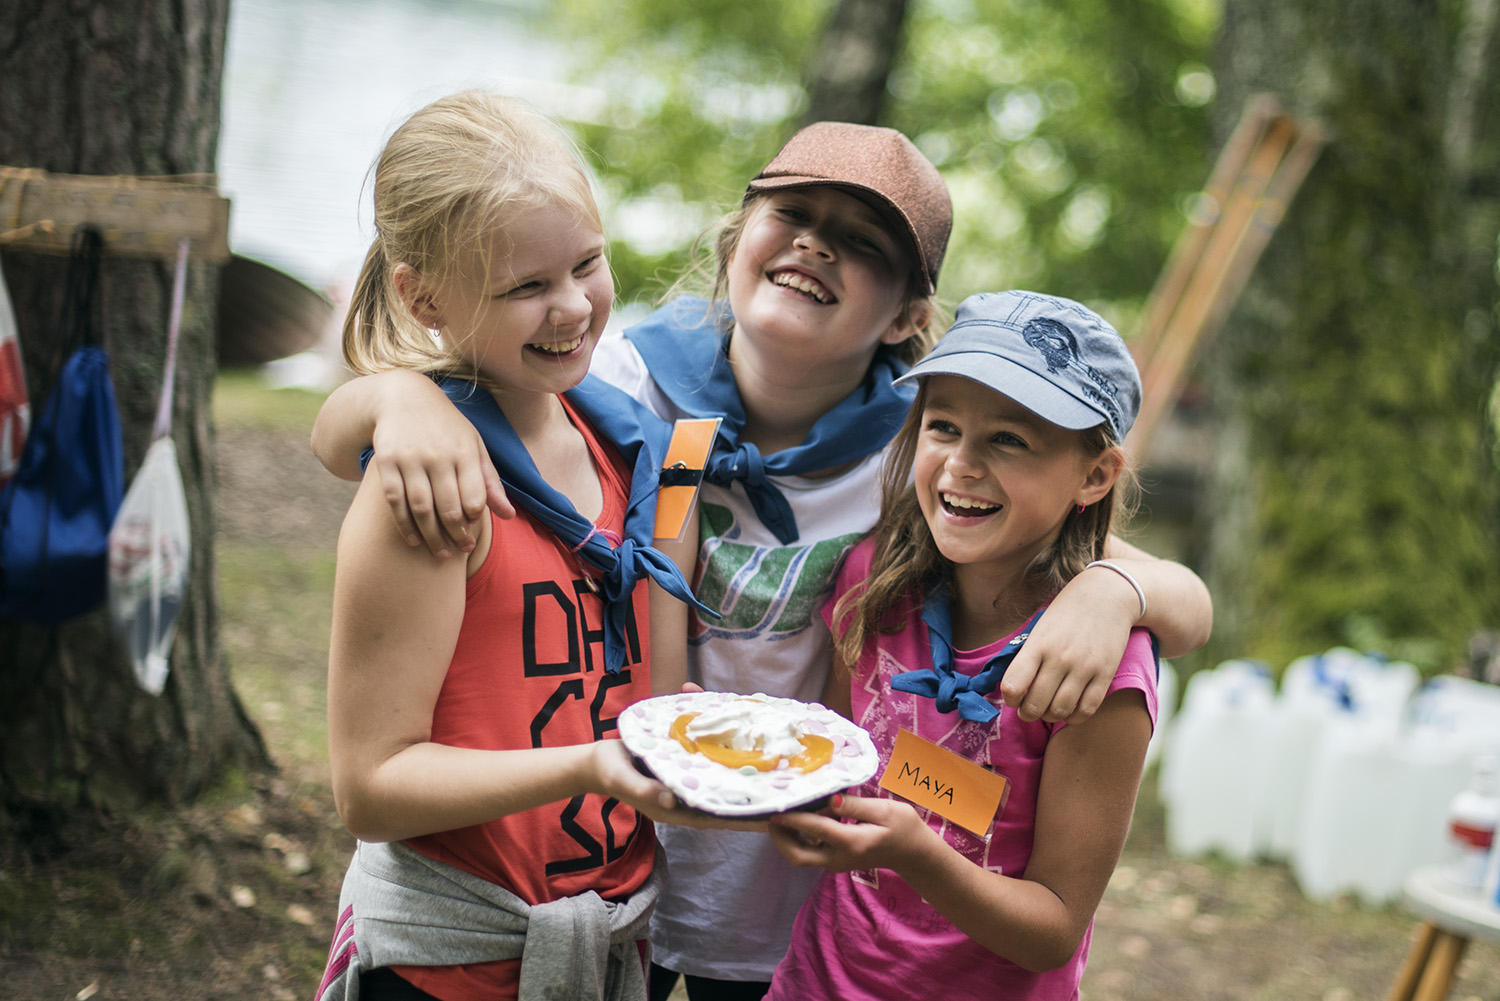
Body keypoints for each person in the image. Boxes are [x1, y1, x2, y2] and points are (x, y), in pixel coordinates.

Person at [311, 124, 1212, 1000]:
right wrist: (397, 398)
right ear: (735, 240)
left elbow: (1133, 573)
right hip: (610, 870)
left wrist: (1114, 587)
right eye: (795, 215)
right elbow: (392, 415)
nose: (817, 246)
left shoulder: (920, 451)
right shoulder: (616, 383)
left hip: (777, 903)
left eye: (862, 242)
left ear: (908, 316)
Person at [312, 89, 730, 1001]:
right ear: (423, 296)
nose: (573, 306)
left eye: (588, 263)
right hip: (448, 966)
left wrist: (707, 746)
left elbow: (652, 706)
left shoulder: (651, 465)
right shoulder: (431, 488)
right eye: (527, 287)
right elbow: (370, 786)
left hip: (617, 944)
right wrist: (589, 763)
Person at [765, 290, 1168, 1001]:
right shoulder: (872, 581)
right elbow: (833, 758)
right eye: (943, 426)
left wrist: (919, 855)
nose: (961, 464)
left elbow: (1054, 929)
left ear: (1094, 475)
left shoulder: (1101, 672)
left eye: (1009, 439)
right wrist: (739, 752)